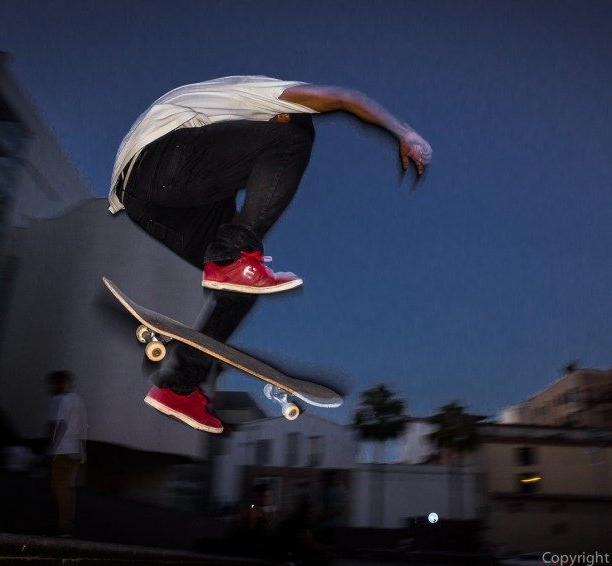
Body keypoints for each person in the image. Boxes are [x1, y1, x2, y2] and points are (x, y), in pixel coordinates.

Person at [108, 76, 432, 434]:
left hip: (148, 203)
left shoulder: (221, 147)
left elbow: (225, 178)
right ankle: (233, 256)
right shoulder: (264, 95)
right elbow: (344, 97)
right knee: (294, 141)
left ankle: (180, 386)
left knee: (240, 292)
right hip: (159, 158)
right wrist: (403, 133)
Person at [44, 370, 88, 537]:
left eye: (54, 383)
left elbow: (56, 425)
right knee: (66, 490)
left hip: (60, 450)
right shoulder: (78, 400)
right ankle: (65, 525)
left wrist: (49, 449)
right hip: (74, 450)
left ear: (59, 383)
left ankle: (60, 525)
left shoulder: (58, 400)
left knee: (57, 489)